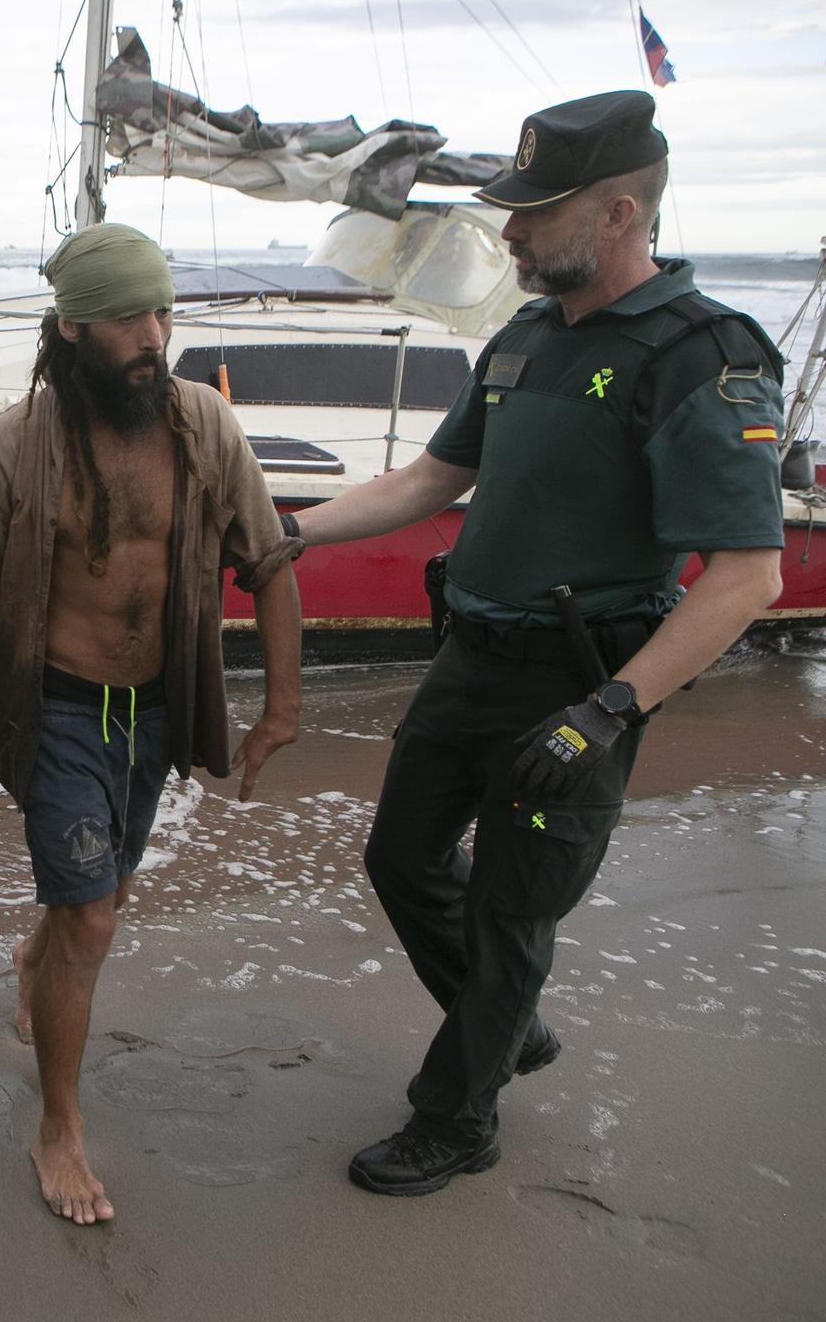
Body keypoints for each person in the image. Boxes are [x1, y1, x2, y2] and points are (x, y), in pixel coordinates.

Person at [285, 91, 788, 1196]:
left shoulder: (697, 356)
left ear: (616, 214)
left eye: (529, 212)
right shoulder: (522, 336)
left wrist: (607, 710)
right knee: (401, 857)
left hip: (578, 686)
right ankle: (502, 1025)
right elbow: (428, 479)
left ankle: (454, 1116)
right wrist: (290, 535)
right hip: (471, 658)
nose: (505, 232)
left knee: (511, 911)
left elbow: (749, 575)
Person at [0, 222, 303, 1225]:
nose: (152, 334)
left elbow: (266, 566)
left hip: (153, 711)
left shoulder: (202, 426)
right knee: (90, 915)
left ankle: (33, 953)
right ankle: (58, 1126)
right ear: (73, 328)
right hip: (53, 708)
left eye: (161, 312)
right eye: (129, 318)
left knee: (101, 895)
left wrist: (278, 708)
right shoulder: (14, 443)